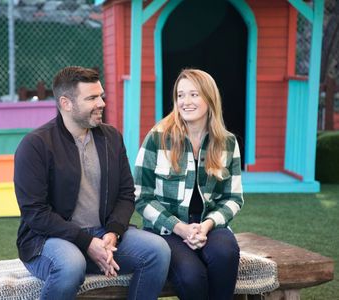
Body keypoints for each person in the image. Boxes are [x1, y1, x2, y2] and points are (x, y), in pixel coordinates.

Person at [14, 66, 171, 300]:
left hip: (103, 233)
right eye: (92, 98)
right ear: (66, 103)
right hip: (49, 240)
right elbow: (35, 213)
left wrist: (113, 233)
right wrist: (87, 242)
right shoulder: (35, 145)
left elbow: (126, 193)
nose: (102, 103)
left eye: (101, 95)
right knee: (70, 265)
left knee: (158, 251)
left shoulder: (111, 137)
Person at [134, 68, 244, 300]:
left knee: (226, 254)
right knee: (192, 277)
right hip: (167, 230)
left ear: (209, 98)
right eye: (180, 95)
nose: (186, 101)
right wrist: (180, 228)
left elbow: (233, 198)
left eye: (194, 94)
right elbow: (141, 196)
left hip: (209, 226)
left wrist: (207, 225)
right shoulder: (158, 137)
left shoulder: (227, 142)